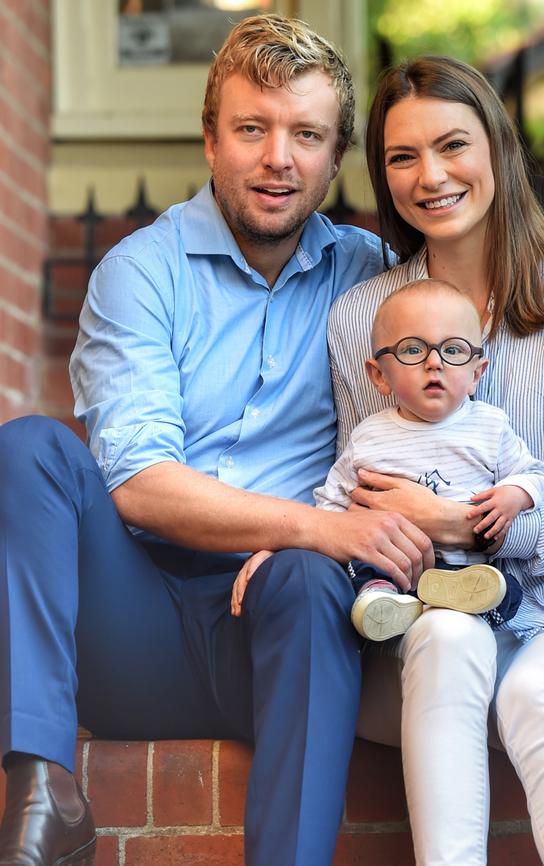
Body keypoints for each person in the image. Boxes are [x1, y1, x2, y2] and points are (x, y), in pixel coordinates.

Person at [0, 16, 434, 866]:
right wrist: (314, 525)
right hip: (135, 629)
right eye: (252, 129)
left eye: (306, 134)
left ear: (334, 154)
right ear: (210, 140)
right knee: (30, 450)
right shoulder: (143, 270)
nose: (278, 158)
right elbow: (136, 483)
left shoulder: (373, 280)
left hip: (277, 633)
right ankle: (43, 789)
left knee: (311, 581)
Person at [327, 56, 544, 865]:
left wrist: (465, 522)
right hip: (417, 630)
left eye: (452, 144)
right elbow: (362, 491)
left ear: (495, 146)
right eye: (401, 156)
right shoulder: (362, 314)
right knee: (449, 640)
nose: (430, 176)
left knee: (534, 692)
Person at [314, 278, 544, 641]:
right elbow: (331, 503)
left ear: (476, 374)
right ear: (379, 375)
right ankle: (382, 600)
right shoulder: (368, 437)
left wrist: (514, 495)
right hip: (391, 563)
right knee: (365, 568)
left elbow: (533, 473)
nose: (434, 363)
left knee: (504, 589)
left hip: (462, 568)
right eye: (412, 350)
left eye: (453, 350)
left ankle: (455, 600)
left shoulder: (489, 426)